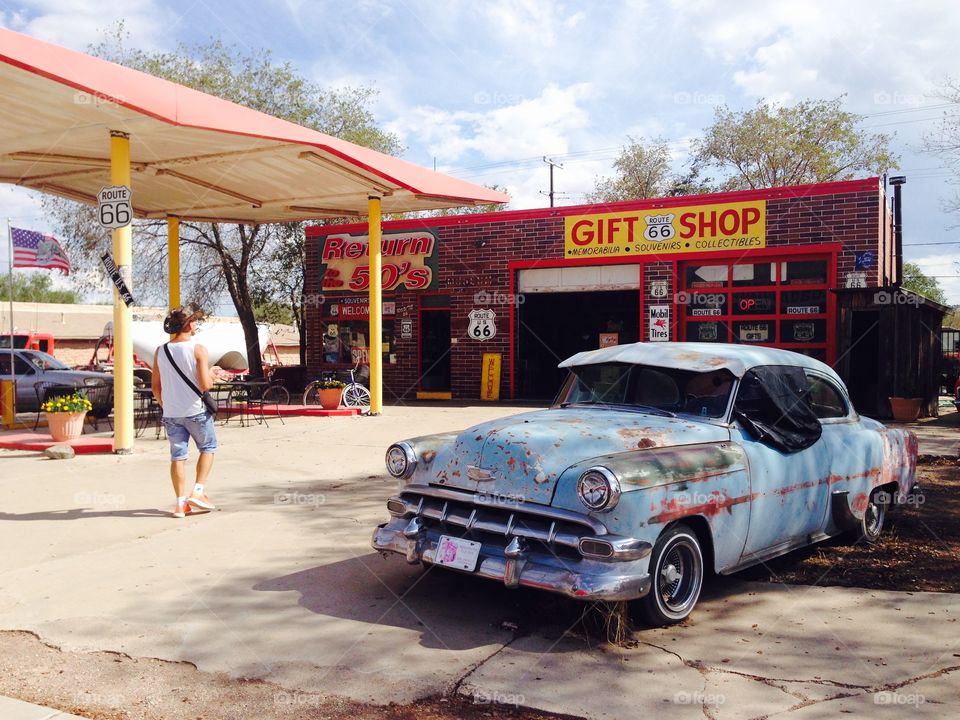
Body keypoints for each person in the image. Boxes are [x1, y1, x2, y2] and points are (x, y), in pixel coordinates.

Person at [152, 305, 218, 518]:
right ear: (188, 325)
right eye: (195, 321)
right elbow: (205, 384)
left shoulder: (160, 351)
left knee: (178, 456)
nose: (196, 324)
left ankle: (180, 504)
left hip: (171, 413)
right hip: (196, 410)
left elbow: (155, 386)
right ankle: (198, 491)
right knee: (208, 447)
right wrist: (213, 374)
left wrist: (165, 404)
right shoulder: (198, 349)